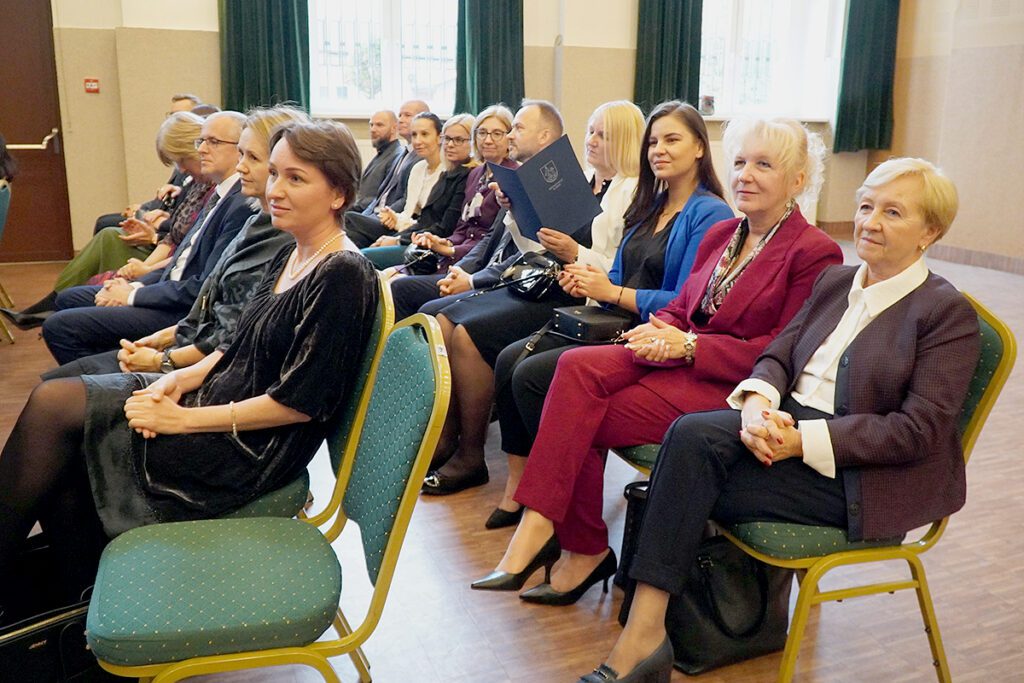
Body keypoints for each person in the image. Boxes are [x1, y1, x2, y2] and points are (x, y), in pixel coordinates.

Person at [578, 157, 977, 683]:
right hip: (784, 429)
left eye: (893, 212)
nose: (870, 222)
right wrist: (757, 405)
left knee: (687, 465)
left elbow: (917, 431)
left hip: (858, 476)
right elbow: (778, 356)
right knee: (690, 440)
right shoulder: (836, 282)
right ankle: (648, 634)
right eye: (865, 207)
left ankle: (642, 637)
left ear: (930, 232)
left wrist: (802, 440)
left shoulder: (945, 313)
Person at [0, 119, 378, 626]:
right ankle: (76, 603)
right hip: (217, 402)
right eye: (275, 174)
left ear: (338, 194)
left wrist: (182, 419)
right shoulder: (293, 251)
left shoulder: (343, 274)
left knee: (58, 414)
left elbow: (298, 404)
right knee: (63, 429)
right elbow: (237, 347)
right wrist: (177, 379)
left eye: (295, 178)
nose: (275, 190)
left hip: (249, 446)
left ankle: (72, 600)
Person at [472, 117, 843, 608]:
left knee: (575, 415)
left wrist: (689, 346)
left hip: (731, 383)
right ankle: (545, 527)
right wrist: (658, 327)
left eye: (763, 165)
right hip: (676, 354)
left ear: (798, 179)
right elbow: (683, 305)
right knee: (573, 369)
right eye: (739, 162)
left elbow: (784, 351)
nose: (745, 175)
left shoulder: (814, 251)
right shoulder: (724, 234)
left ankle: (572, 544)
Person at [485, 101, 733, 527]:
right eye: (653, 142)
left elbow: (685, 303)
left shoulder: (710, 213)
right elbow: (616, 271)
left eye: (672, 140)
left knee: (535, 376)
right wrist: (586, 281)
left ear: (699, 148)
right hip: (614, 321)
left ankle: (560, 515)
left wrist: (612, 291)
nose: (659, 149)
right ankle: (549, 505)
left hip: (655, 336)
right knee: (512, 361)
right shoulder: (650, 203)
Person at [39, 105, 316, 379]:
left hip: (198, 349)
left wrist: (161, 358)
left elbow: (230, 334)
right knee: (63, 365)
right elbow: (207, 291)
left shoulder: (259, 219)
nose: (202, 150)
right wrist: (157, 327)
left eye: (252, 157)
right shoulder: (251, 216)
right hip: (189, 332)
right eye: (201, 141)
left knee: (59, 363)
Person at [1, 112, 215, 329]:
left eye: (181, 160)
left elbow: (188, 247)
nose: (180, 169)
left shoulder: (215, 190)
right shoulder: (198, 184)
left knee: (109, 236)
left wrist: (151, 246)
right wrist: (150, 225)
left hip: (171, 269)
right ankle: (55, 306)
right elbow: (175, 234)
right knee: (108, 233)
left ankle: (56, 309)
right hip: (165, 254)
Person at [387, 104, 517, 317]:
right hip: (455, 256)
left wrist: (453, 251)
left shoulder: (513, 176)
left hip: (478, 265)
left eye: (496, 134)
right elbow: (462, 227)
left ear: (509, 138)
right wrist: (444, 243)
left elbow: (492, 239)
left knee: (400, 287)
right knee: (389, 278)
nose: (488, 140)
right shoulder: (476, 174)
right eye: (482, 133)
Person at [361, 112, 477, 267]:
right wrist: (396, 237)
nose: (450, 144)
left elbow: (445, 228)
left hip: (435, 247)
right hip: (419, 238)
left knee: (364, 257)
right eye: (447, 139)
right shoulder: (448, 173)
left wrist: (398, 239)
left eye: (459, 140)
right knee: (361, 252)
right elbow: (424, 221)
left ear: (474, 142)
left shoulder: (467, 176)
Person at [345, 112, 446, 248]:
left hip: (421, 238)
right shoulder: (418, 168)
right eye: (414, 135)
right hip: (404, 228)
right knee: (354, 237)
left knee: (349, 220)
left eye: (424, 134)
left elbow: (431, 224)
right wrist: (394, 218)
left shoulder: (447, 172)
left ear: (439, 137)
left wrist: (396, 239)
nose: (417, 141)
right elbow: (408, 213)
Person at [350, 99, 431, 221]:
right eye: (400, 115)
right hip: (375, 213)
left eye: (407, 115)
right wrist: (366, 216)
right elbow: (381, 195)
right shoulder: (403, 154)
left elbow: (405, 199)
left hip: (391, 218)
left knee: (345, 219)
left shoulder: (421, 158)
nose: (401, 120)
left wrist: (381, 216)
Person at [349, 110, 402, 213]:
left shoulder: (396, 156)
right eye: (371, 125)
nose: (373, 129)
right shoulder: (383, 154)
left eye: (379, 125)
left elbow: (384, 199)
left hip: (370, 213)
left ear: (394, 128)